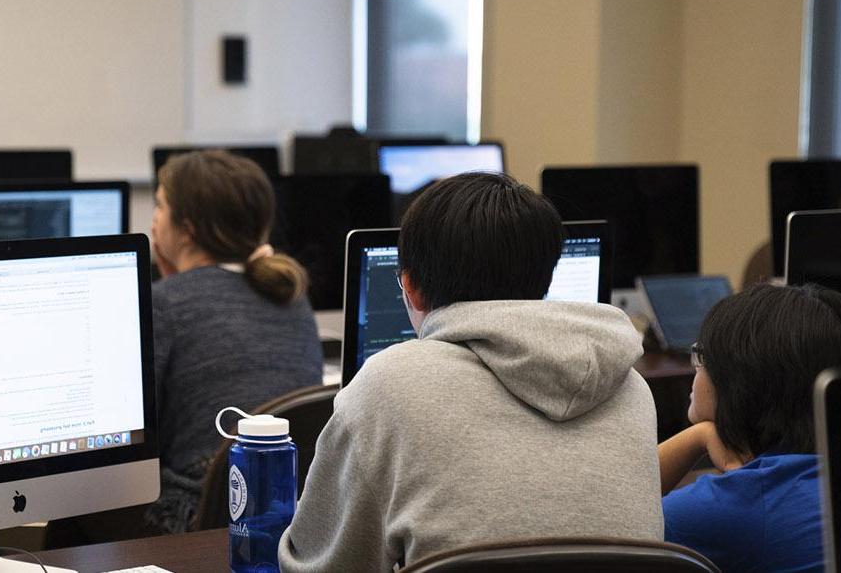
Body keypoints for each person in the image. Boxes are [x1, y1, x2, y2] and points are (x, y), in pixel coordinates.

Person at [279, 172, 662, 573]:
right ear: (546, 280)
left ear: (410, 287)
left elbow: (321, 566)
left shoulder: (387, 382)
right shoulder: (630, 385)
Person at [145, 150, 322, 534]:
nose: (153, 220)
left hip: (193, 514)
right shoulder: (290, 294)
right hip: (288, 512)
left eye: (159, 206)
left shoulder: (164, 303)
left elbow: (140, 434)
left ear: (187, 228)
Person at [658, 283, 841, 573]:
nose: (695, 369)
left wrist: (693, 439)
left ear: (742, 384)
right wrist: (700, 435)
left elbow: (609, 521)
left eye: (701, 357)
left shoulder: (746, 503)